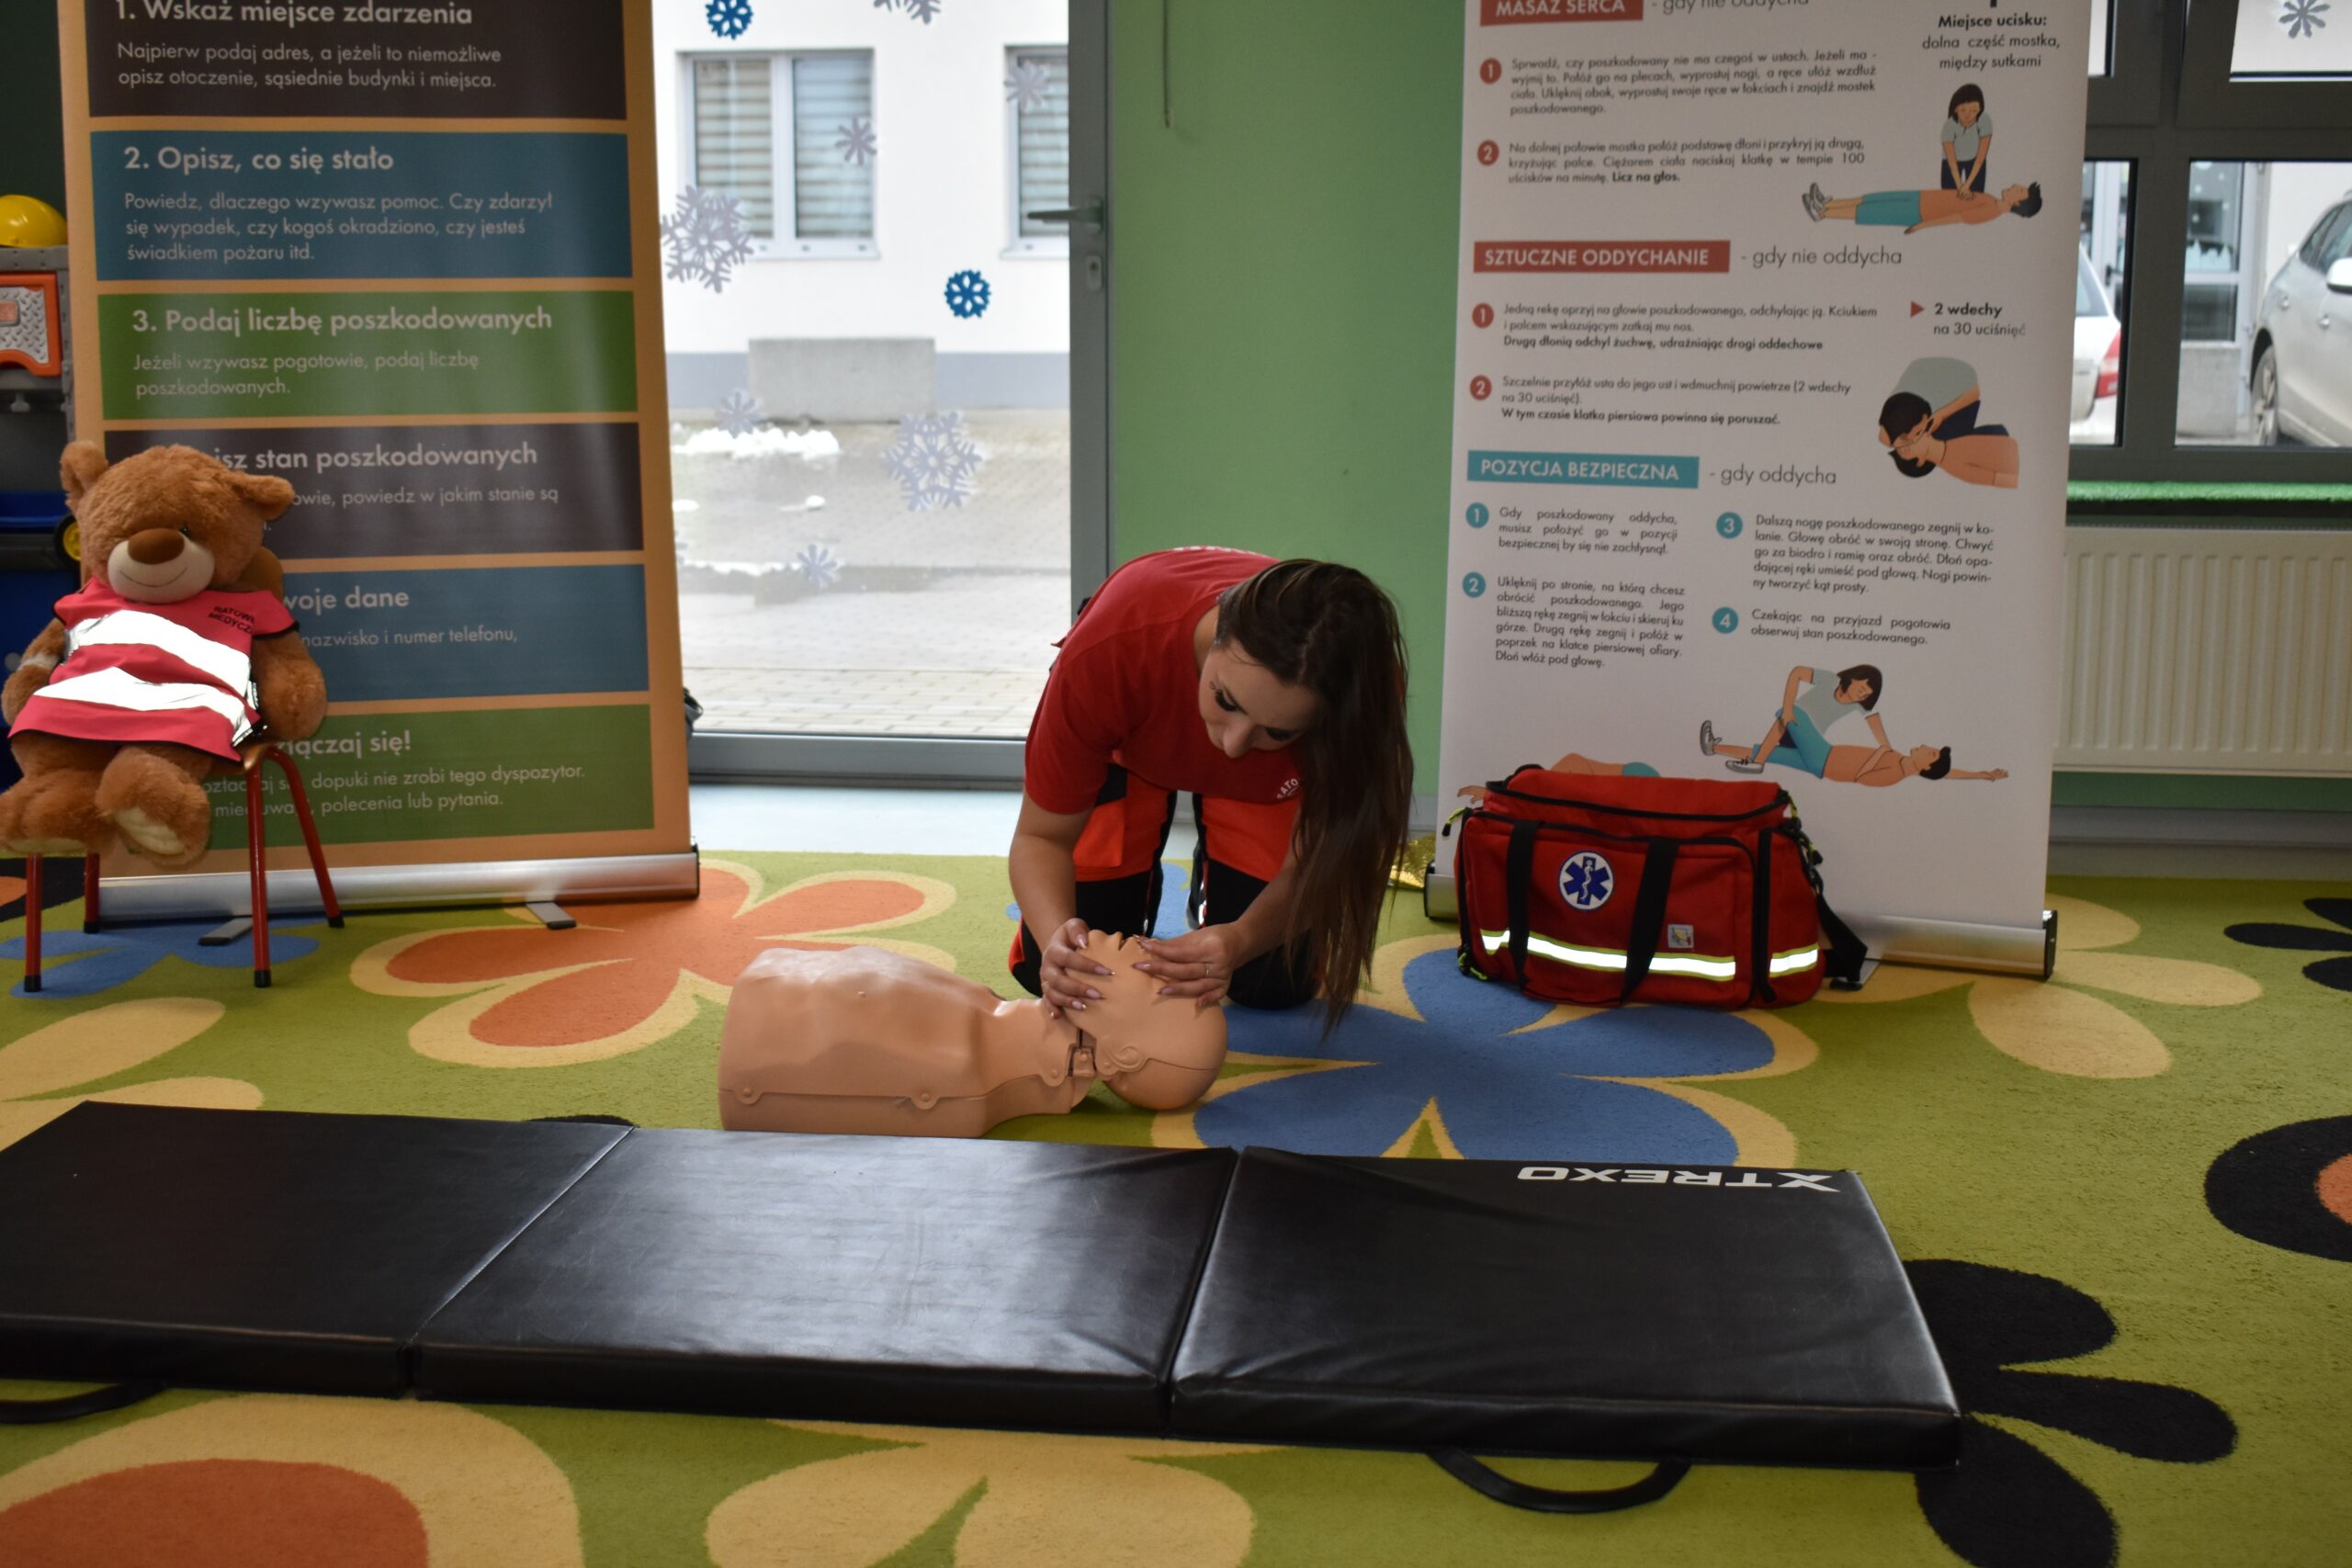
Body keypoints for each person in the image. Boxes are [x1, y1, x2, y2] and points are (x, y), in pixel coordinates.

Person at [1008, 550, 1412, 1031]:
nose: (1233, 744)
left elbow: (1319, 862)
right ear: (1216, 635)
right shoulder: (1110, 649)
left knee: (1272, 983)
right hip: (1128, 753)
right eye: (1225, 699)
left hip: (1266, 788)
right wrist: (1055, 939)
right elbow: (1042, 837)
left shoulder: (1360, 694)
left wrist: (1240, 938)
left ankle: (1214, 881)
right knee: (1060, 970)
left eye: (1278, 731)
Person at [1702, 663, 1888, 777]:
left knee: (1795, 713)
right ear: (1853, 678)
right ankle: (1713, 748)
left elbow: (1873, 719)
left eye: (1866, 694)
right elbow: (1797, 672)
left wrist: (1886, 746)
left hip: (1808, 742)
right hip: (1792, 734)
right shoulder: (1832, 680)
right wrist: (1787, 707)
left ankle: (1758, 762)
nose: (1861, 695)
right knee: (1767, 750)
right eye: (1862, 688)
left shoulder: (1857, 706)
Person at [1877, 355, 2018, 487]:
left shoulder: (1911, 407)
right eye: (1918, 434)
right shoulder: (1949, 445)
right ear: (1921, 460)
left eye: (1918, 433)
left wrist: (1942, 414)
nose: (1919, 437)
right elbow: (1998, 477)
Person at [1804, 180, 2042, 233]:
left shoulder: (1990, 211)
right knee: (1872, 199)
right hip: (1922, 198)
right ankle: (1827, 203)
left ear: (2018, 202)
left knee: (1871, 211)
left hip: (1920, 212)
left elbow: (1955, 218)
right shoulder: (1991, 200)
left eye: (2020, 190)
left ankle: (1824, 213)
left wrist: (1921, 225)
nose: (2016, 186)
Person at [1940, 85, 1993, 194]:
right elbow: (1952, 162)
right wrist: (1960, 186)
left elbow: (1980, 158)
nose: (1968, 115)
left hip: (1975, 160)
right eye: (1963, 110)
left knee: (1977, 194)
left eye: (1974, 110)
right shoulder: (1949, 126)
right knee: (1949, 195)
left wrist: (1967, 185)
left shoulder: (1984, 120)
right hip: (1952, 162)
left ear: (1980, 109)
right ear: (1955, 109)